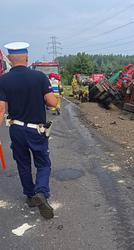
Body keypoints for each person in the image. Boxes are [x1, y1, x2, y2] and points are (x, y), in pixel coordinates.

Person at [0, 42, 58, 219]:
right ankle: (41, 192)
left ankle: (30, 195)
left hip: (16, 129)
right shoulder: (39, 77)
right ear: (27, 57)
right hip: (36, 130)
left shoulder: (3, 81)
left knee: (23, 163)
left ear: (10, 59)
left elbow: (1, 110)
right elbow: (52, 103)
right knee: (43, 163)